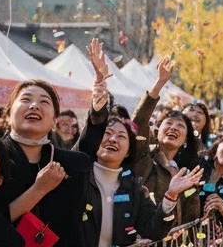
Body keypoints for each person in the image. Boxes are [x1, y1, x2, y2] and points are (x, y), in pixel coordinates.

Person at [0, 41, 105, 247]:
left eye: (44, 102)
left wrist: (98, 104)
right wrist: (39, 189)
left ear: (53, 121)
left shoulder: (68, 162)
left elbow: (89, 144)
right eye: (25, 99)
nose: (34, 105)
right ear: (7, 114)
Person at [75, 81, 203, 247]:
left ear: (128, 150)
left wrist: (170, 196)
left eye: (121, 136)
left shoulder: (133, 189)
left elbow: (154, 230)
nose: (113, 139)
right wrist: (158, 85)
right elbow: (140, 121)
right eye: (107, 133)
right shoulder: (78, 173)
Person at [131, 57, 202, 224]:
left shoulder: (186, 173)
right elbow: (139, 122)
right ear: (157, 131)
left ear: (186, 139)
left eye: (180, 126)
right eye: (168, 123)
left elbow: (190, 218)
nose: (174, 128)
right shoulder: (144, 157)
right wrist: (159, 83)